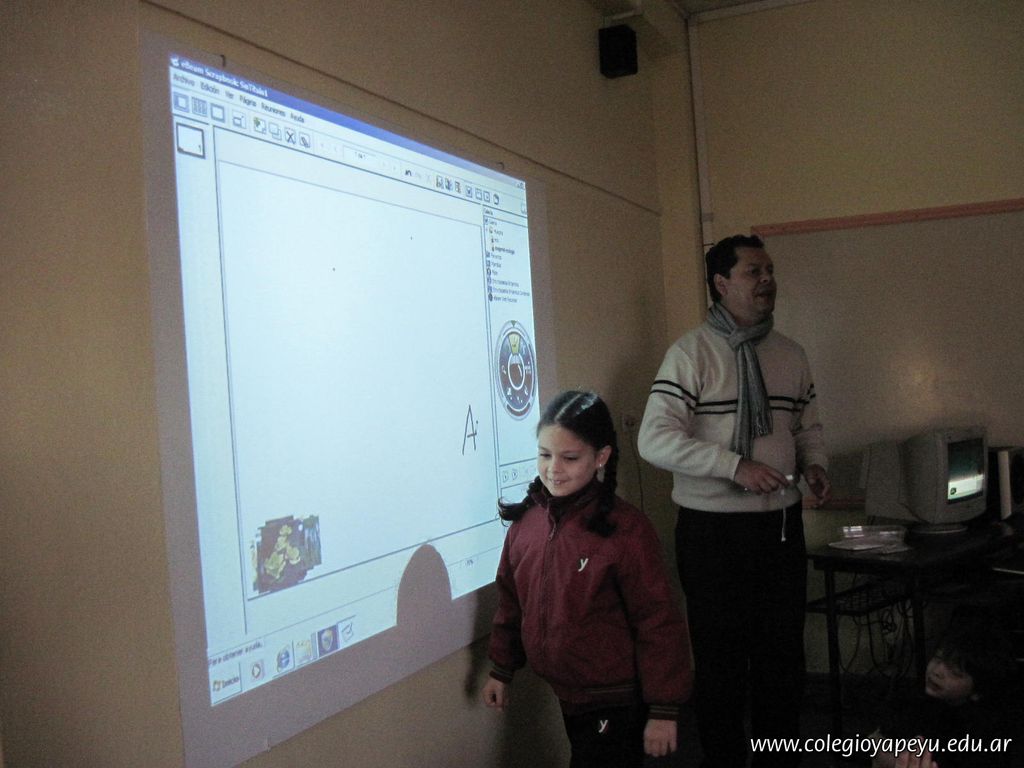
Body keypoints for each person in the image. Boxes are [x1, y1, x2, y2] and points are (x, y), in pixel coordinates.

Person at [637, 234, 832, 768]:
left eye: (770, 270)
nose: (767, 280)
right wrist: (733, 466)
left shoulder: (791, 353)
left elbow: (807, 426)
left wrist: (815, 464)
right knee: (721, 662)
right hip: (712, 532)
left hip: (780, 528)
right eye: (753, 271)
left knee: (782, 659)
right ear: (721, 284)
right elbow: (653, 439)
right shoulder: (691, 353)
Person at [483, 390, 693, 768]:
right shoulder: (526, 525)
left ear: (601, 457)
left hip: (617, 699)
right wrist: (502, 669)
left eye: (570, 458)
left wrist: (664, 709)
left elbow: (658, 620)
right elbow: (512, 602)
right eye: (545, 455)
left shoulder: (627, 530)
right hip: (569, 695)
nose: (553, 469)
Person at [872, 617, 1022, 768]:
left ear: (977, 690)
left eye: (955, 672)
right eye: (938, 659)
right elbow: (881, 740)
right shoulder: (914, 701)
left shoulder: (982, 732)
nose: (937, 671)